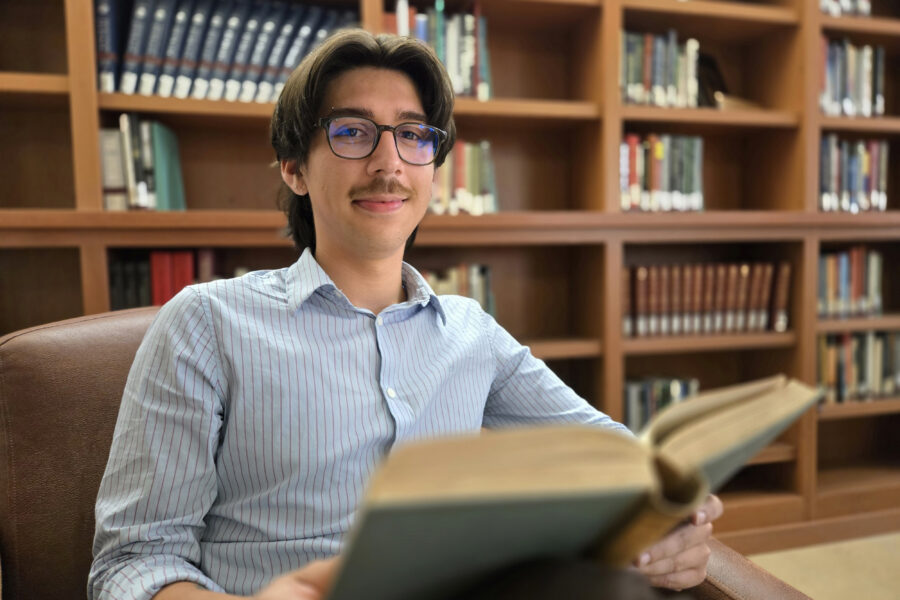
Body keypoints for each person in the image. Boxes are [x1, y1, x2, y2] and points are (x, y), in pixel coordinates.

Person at [89, 29, 722, 600]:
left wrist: (671, 529)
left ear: (435, 171)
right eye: (353, 131)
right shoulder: (206, 323)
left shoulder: (472, 332)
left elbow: (623, 461)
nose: (389, 163)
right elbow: (132, 564)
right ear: (294, 167)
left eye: (414, 135)